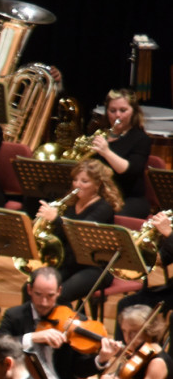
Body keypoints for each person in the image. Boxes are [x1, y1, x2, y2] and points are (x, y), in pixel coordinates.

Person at [37, 158, 121, 305]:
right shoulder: (70, 205)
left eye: (84, 181)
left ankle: (62, 326)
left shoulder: (103, 208)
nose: (77, 185)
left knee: (60, 295)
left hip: (95, 267)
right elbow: (61, 237)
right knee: (33, 287)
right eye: (75, 180)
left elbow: (80, 234)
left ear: (97, 185)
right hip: (69, 263)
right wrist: (45, 225)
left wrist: (56, 219)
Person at [88, 89, 154, 218]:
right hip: (100, 195)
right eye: (112, 111)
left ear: (133, 111)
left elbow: (131, 171)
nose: (117, 115)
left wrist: (106, 152)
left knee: (102, 214)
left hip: (129, 198)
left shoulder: (141, 139)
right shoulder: (100, 135)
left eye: (123, 110)